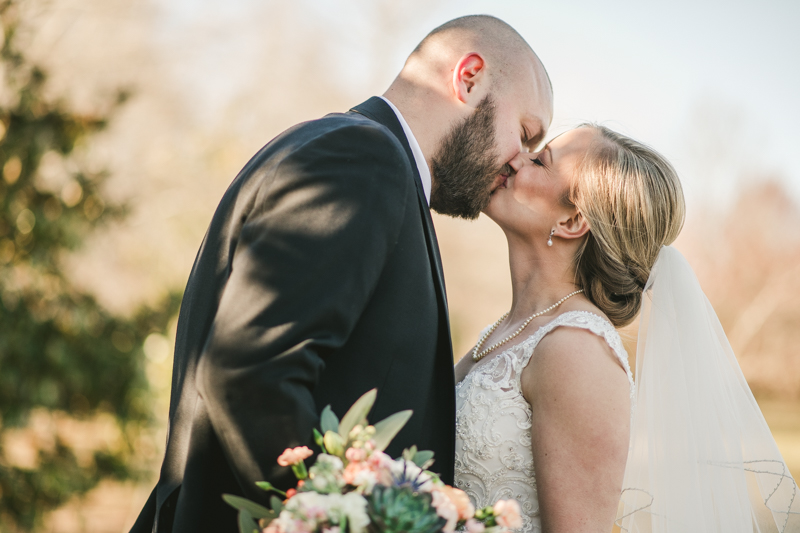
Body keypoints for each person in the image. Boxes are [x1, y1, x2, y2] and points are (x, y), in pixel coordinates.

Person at [130, 15, 554, 533]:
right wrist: (340, 519)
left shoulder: (357, 156)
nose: (519, 161)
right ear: (468, 77)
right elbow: (251, 369)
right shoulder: (363, 159)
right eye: (526, 132)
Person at [454, 124, 799, 532]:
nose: (515, 157)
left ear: (572, 220)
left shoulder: (577, 350)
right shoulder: (511, 328)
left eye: (540, 160)